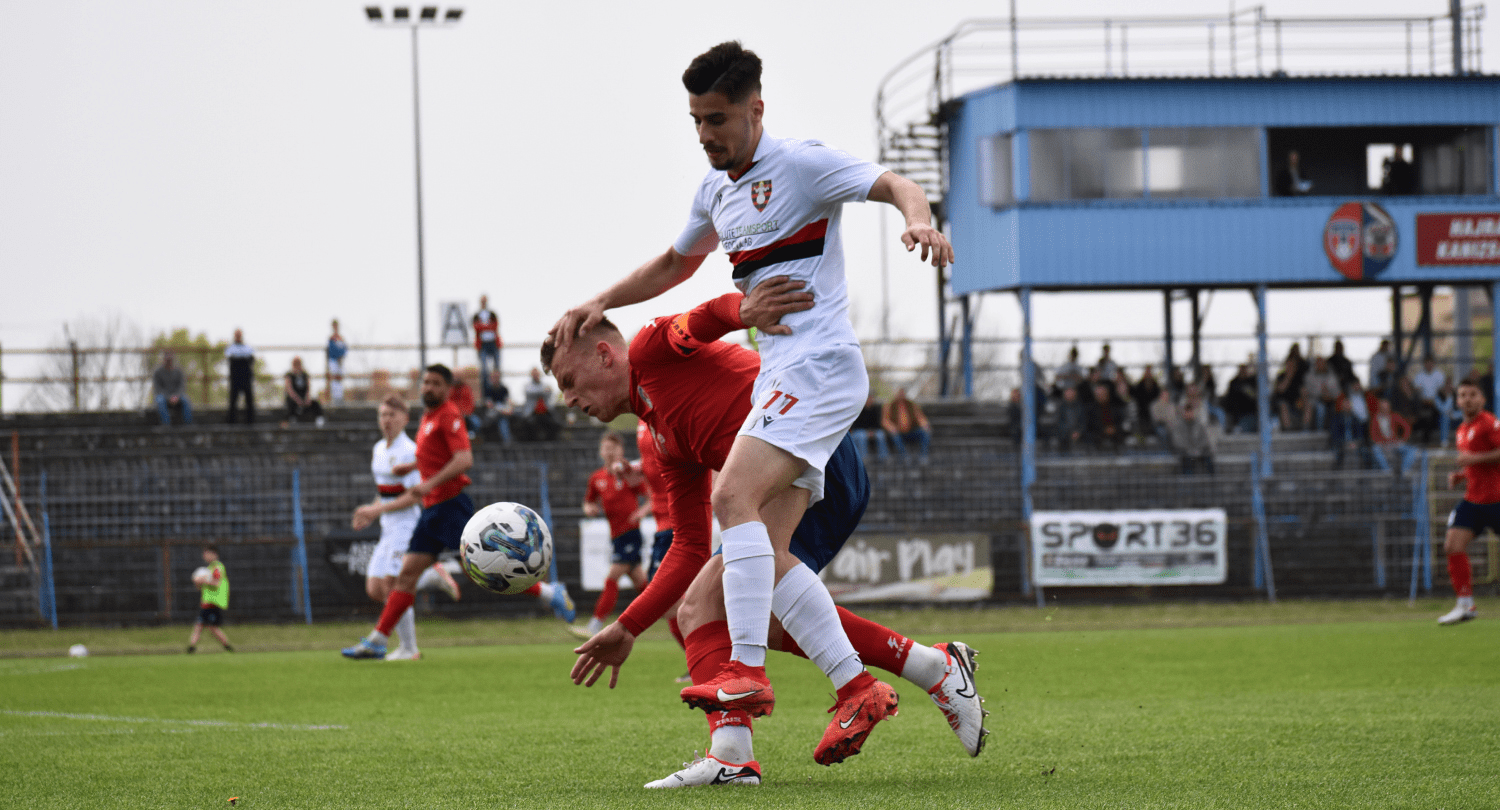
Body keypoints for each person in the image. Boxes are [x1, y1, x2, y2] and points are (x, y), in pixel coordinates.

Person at [550, 41, 954, 724]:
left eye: (717, 119)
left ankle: (746, 675)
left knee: (731, 501)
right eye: (696, 122)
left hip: (821, 368)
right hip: (782, 378)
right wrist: (603, 299)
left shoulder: (800, 165)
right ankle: (848, 696)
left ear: (754, 109)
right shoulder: (715, 192)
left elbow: (893, 183)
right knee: (731, 573)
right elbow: (675, 264)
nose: (706, 135)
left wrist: (917, 219)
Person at [547, 287, 985, 784]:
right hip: (788, 473)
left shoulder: (650, 350)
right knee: (703, 610)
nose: (568, 398)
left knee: (750, 589)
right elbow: (689, 546)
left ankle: (899, 677)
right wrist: (628, 627)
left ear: (604, 354)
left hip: (814, 453)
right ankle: (735, 753)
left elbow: (702, 319)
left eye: (569, 380)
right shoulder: (661, 437)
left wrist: (743, 310)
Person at [342, 365, 575, 659]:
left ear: (447, 388)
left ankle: (550, 594)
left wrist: (428, 484)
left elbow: (463, 459)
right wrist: (413, 466)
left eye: (436, 383)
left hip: (450, 505)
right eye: (425, 382)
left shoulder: (449, 414)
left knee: (486, 571)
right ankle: (379, 640)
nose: (428, 387)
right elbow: (436, 455)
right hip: (432, 511)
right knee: (405, 577)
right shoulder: (428, 417)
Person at [356, 395, 464, 661]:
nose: (387, 420)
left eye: (392, 415)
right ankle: (433, 576)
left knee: (394, 584)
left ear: (405, 419)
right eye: (383, 415)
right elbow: (386, 492)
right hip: (387, 526)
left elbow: (414, 495)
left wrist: (376, 510)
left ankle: (409, 648)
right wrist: (371, 511)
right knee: (375, 589)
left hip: (406, 525)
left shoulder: (409, 451)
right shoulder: (379, 449)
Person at [573, 431, 651, 639]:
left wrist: (641, 512)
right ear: (600, 451)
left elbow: (652, 497)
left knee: (612, 577)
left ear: (621, 451)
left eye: (613, 448)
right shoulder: (596, 478)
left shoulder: (628, 475)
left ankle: (594, 626)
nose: (608, 452)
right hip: (615, 536)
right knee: (642, 584)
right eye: (605, 448)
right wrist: (589, 509)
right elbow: (588, 501)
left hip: (631, 534)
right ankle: (671, 612)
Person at [1439, 380, 1500, 625]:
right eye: (1462, 395)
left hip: (1497, 500)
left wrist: (1473, 459)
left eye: (1473, 394)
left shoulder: (1489, 423)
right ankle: (1465, 604)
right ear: (1457, 401)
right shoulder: (1462, 430)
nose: (1467, 399)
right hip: (1473, 501)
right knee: (1452, 545)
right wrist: (1460, 476)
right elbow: (1475, 466)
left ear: (1482, 400)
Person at [187, 546, 232, 653]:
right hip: (207, 602)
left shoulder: (217, 567)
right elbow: (202, 587)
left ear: (215, 555)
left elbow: (216, 583)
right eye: (205, 554)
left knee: (210, 627)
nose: (205, 556)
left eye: (207, 554)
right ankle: (191, 648)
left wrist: (201, 580)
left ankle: (228, 647)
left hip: (213, 602)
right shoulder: (209, 569)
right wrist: (198, 582)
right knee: (201, 626)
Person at [1369, 397, 1417, 476]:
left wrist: (1403, 439)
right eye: (1383, 407)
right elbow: (1373, 434)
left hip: (1395, 442)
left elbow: (1407, 427)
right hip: (1383, 444)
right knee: (1375, 449)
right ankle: (1387, 470)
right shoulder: (1375, 419)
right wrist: (1383, 443)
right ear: (1380, 408)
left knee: (1413, 450)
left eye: (1387, 407)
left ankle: (1404, 470)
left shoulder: (1394, 416)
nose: (1385, 409)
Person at [881, 387, 931, 463]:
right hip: (898, 432)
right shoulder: (889, 405)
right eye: (899, 393)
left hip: (911, 431)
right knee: (894, 435)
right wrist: (891, 427)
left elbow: (919, 417)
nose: (901, 395)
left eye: (902, 393)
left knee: (925, 433)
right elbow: (885, 420)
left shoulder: (911, 405)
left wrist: (925, 425)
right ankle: (904, 456)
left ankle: (923, 456)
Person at [1170, 400, 1216, 474]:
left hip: (1198, 451)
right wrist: (1190, 450)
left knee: (1209, 457)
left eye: (1190, 412)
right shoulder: (1177, 425)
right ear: (1183, 413)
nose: (1189, 414)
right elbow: (1177, 441)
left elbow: (1205, 439)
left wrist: (1198, 449)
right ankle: (1188, 482)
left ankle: (1211, 481)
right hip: (1185, 452)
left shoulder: (1199, 424)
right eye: (1187, 412)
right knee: (1186, 459)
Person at [518, 367, 561, 441]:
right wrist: (543, 391)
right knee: (528, 425)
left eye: (537, 374)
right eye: (534, 374)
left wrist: (544, 391)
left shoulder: (545, 385)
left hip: (545, 412)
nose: (536, 376)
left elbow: (550, 392)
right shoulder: (528, 386)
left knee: (555, 424)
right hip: (532, 412)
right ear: (531, 375)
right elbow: (529, 392)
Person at [152, 350, 194, 426]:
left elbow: (182, 386)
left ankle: (188, 424)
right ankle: (166, 425)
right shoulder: (157, 372)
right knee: (160, 401)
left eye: (171, 360)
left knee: (186, 400)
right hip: (163, 396)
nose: (169, 362)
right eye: (167, 360)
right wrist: (169, 397)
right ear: (164, 360)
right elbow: (157, 388)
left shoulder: (179, 371)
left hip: (177, 396)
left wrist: (176, 396)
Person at [848, 393, 889, 465]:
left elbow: (878, 423)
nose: (870, 400)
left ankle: (883, 457)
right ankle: (864, 459)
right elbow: (855, 424)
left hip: (872, 430)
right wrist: (867, 431)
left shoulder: (876, 409)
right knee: (862, 436)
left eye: (871, 398)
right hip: (859, 431)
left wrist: (871, 431)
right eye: (868, 398)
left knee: (881, 434)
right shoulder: (859, 409)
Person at [475, 369, 514, 444]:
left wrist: (509, 409)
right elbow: (489, 405)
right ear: (491, 378)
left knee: (503, 419)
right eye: (494, 377)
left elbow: (508, 401)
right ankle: (507, 442)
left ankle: (507, 442)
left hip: (502, 413)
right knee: (502, 418)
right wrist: (501, 409)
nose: (496, 379)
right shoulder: (487, 390)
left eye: (497, 377)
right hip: (491, 414)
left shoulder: (504, 389)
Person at [283, 357, 324, 427]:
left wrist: (307, 398)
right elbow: (290, 390)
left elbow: (308, 388)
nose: (297, 366)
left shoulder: (305, 375)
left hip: (303, 397)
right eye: (295, 364)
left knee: (315, 403)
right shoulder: (289, 375)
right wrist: (298, 400)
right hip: (294, 398)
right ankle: (292, 418)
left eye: (298, 364)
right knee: (290, 402)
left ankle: (319, 418)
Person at [225, 329, 255, 424]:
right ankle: (231, 422)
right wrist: (242, 359)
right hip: (235, 377)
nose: (238, 336)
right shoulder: (230, 348)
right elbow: (230, 359)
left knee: (249, 400)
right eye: (236, 335)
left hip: (246, 376)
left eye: (239, 335)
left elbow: (251, 359)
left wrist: (239, 359)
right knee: (233, 400)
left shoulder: (247, 347)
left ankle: (250, 422)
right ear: (234, 336)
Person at [473, 295, 502, 384]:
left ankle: (497, 385)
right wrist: (487, 327)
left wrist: (483, 327)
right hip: (483, 344)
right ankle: (485, 387)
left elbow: (495, 326)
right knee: (484, 369)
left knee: (497, 367)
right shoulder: (477, 315)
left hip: (493, 343)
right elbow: (476, 327)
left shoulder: (492, 314)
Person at [327, 319, 348, 405]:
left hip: (340, 361)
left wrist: (341, 356)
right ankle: (335, 399)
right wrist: (337, 356)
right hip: (333, 361)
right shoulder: (331, 338)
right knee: (334, 379)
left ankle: (340, 398)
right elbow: (332, 350)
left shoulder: (341, 338)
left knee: (340, 379)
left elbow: (344, 349)